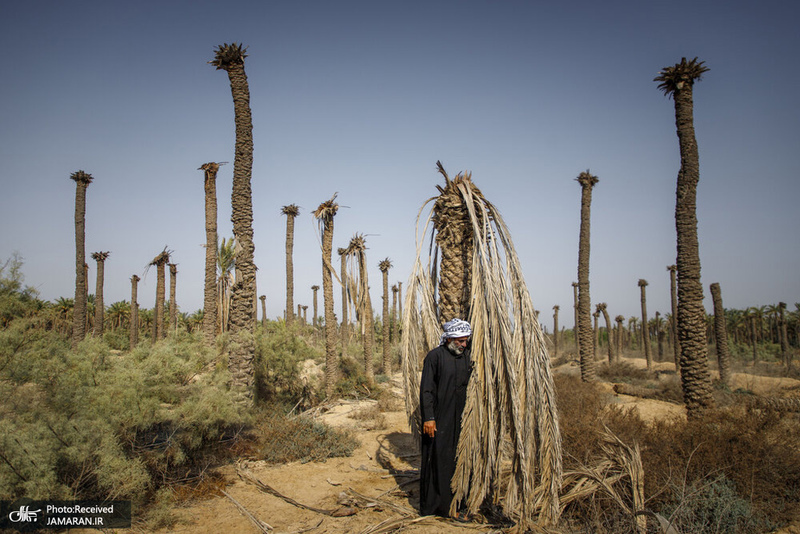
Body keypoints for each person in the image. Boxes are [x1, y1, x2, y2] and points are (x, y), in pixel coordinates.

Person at [419, 318, 472, 519]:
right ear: (449, 338)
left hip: (462, 419)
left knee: (459, 459)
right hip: (440, 419)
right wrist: (429, 418)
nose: (464, 345)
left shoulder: (467, 357)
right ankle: (440, 506)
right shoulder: (435, 357)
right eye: (460, 341)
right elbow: (426, 390)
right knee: (440, 460)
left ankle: (461, 503)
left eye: (466, 341)